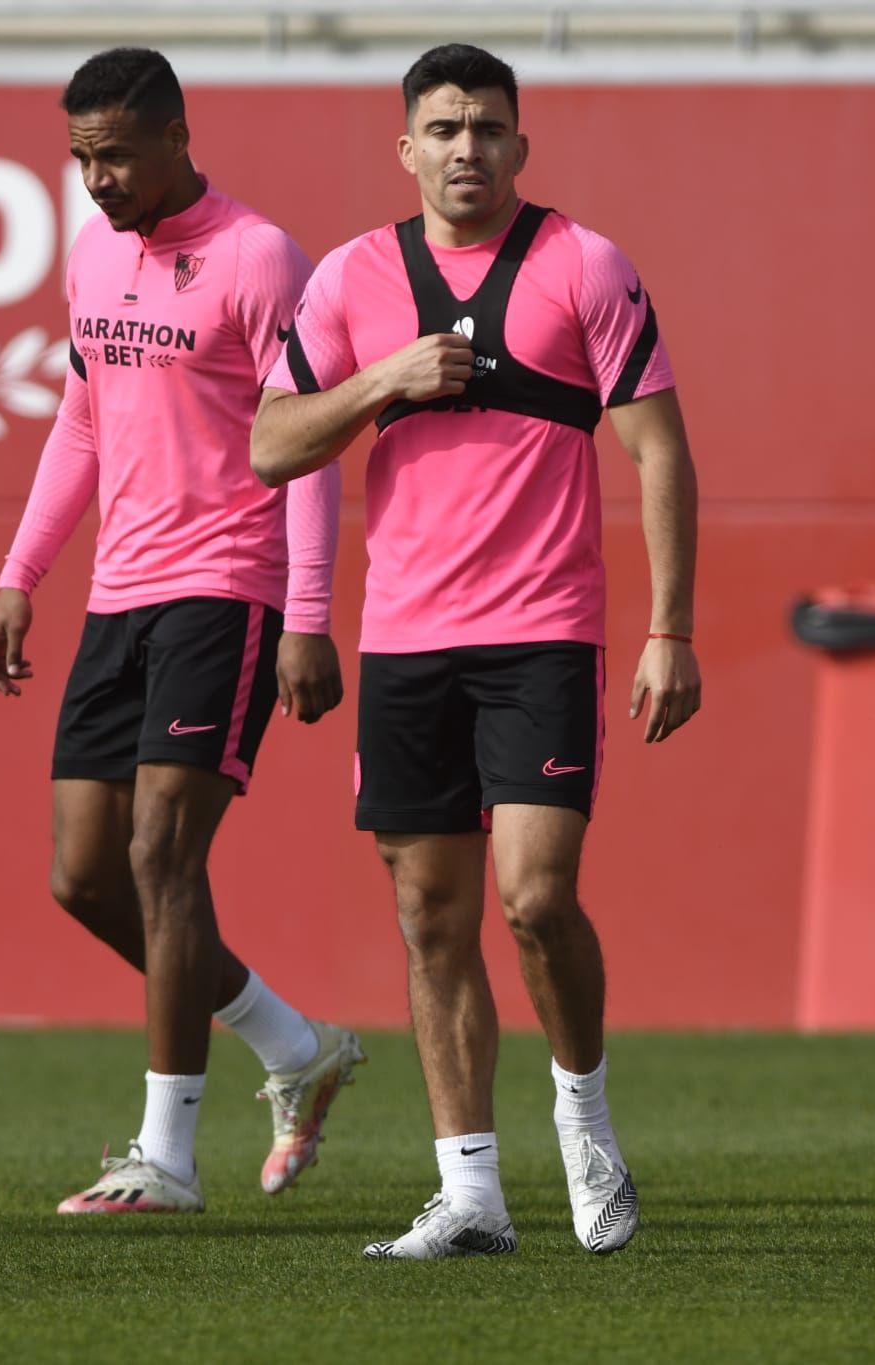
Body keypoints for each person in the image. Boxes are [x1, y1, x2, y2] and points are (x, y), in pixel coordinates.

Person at [251, 43, 702, 1259]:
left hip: (542, 636)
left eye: (487, 128)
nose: (467, 149)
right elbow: (271, 444)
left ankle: (583, 1123)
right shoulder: (352, 277)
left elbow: (659, 451)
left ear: (519, 144)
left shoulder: (582, 264)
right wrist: (383, 381)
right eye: (444, 129)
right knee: (430, 918)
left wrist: (668, 628)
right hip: (406, 646)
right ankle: (469, 1196)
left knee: (535, 899)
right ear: (406, 148)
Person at [0, 48, 360, 1215]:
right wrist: (21, 573)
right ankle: (290, 1042)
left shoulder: (258, 257)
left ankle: (167, 1158)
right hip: (119, 597)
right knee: (83, 875)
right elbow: (81, 422)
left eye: (114, 156)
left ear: (176, 138)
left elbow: (306, 442)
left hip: (226, 589)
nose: (96, 179)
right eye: (80, 158)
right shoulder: (92, 254)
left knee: (161, 857)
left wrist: (305, 615)